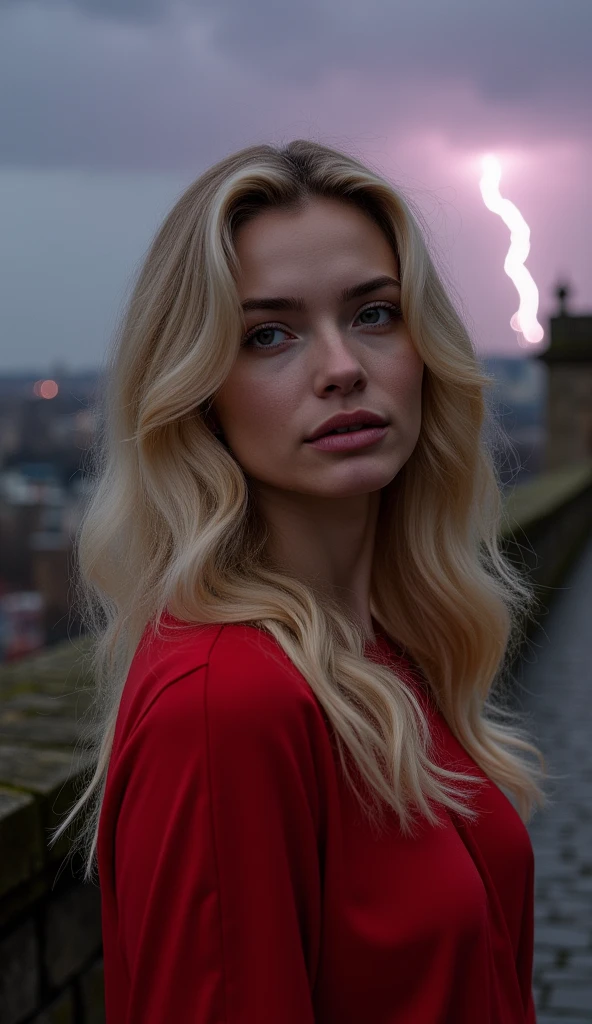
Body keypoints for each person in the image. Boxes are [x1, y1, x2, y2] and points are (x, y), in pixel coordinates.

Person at [50, 139, 550, 1022]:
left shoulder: (391, 652)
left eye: (374, 314)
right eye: (268, 335)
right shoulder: (227, 704)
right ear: (199, 392)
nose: (342, 367)